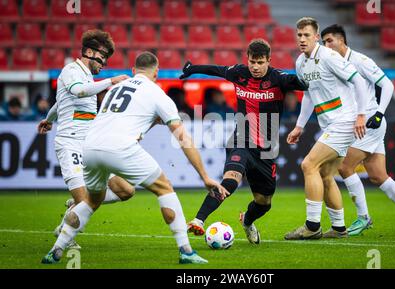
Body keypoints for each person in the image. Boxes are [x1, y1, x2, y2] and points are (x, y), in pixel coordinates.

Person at [41, 51, 228, 264]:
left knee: (91, 201)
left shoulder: (116, 88)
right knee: (164, 188)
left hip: (89, 146)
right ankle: (186, 251)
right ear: (156, 72)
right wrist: (204, 176)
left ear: (133, 70)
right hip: (119, 146)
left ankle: (55, 250)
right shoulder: (157, 94)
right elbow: (183, 136)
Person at [180, 39, 309, 244]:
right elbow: (216, 70)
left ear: (269, 60)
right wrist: (192, 69)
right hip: (241, 140)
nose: (255, 67)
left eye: (260, 62)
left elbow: (307, 84)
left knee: (264, 202)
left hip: (266, 150)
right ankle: (198, 220)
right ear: (247, 59)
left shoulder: (280, 79)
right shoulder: (239, 73)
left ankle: (247, 221)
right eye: (252, 62)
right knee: (231, 179)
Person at [321, 24, 395, 236]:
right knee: (379, 176)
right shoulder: (334, 63)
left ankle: (363, 217)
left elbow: (387, 84)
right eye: (324, 42)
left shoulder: (360, 61)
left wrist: (379, 113)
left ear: (341, 41)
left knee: (344, 167)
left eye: (329, 41)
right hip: (361, 123)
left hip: (370, 122)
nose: (326, 45)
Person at [38, 30, 134, 250]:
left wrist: (49, 118)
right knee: (85, 204)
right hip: (70, 143)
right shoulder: (71, 70)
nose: (104, 63)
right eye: (102, 58)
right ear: (89, 52)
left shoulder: (88, 76)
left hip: (90, 146)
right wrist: (111, 81)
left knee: (126, 191)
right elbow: (79, 92)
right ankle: (67, 234)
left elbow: (61, 102)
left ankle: (73, 209)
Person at [284, 17, 368, 240]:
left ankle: (312, 226)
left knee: (308, 164)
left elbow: (358, 81)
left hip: (345, 121)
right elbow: (309, 95)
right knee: (325, 175)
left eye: (307, 35)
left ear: (316, 36)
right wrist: (299, 126)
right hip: (332, 124)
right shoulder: (300, 62)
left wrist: (361, 115)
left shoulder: (329, 57)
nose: (302, 39)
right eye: (299, 35)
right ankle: (340, 229)